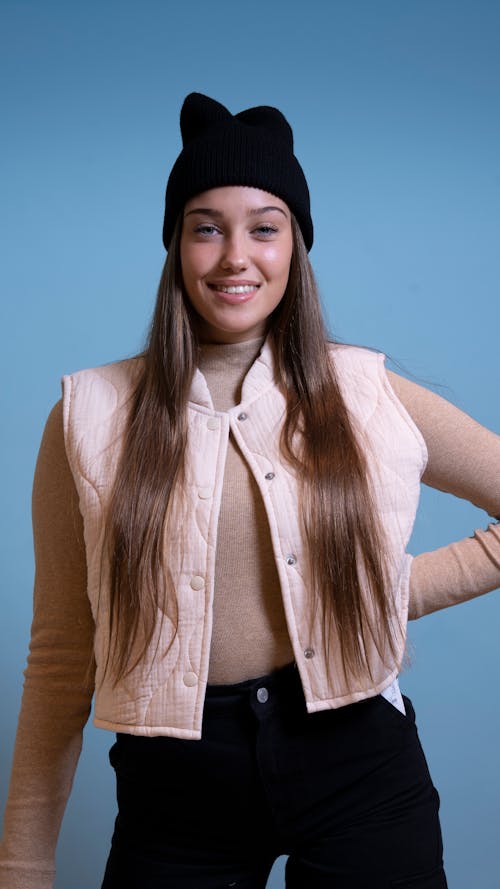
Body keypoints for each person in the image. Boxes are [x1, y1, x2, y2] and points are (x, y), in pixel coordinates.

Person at [0, 92, 499, 889]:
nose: (237, 255)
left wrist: (385, 590)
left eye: (265, 227)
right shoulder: (87, 415)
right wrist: (20, 864)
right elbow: (62, 653)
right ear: (176, 246)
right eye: (207, 227)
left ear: (296, 246)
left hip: (360, 768)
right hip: (176, 792)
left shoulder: (367, 392)